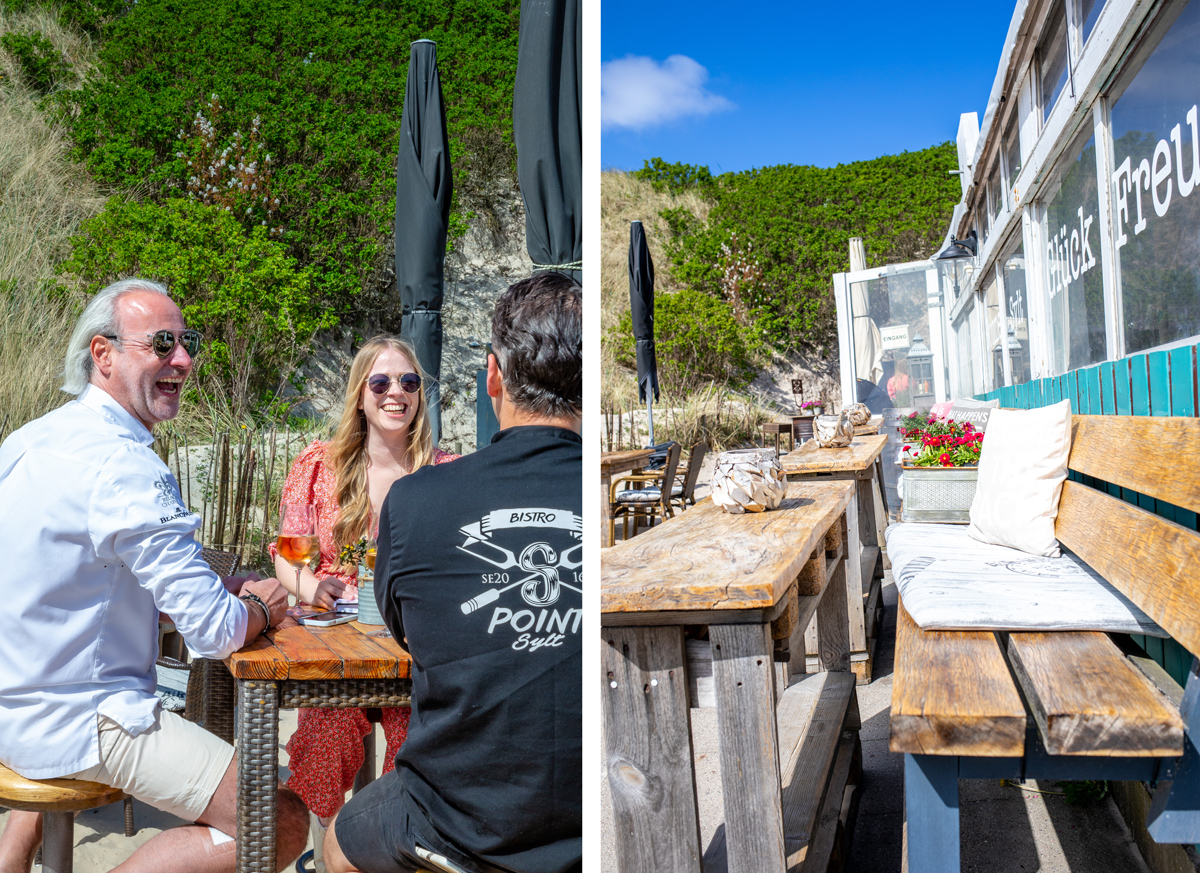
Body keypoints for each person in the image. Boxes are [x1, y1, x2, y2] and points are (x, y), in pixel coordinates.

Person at [0, 278, 308, 873]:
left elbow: (64, 581)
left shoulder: (26, 442)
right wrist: (266, 606)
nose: (183, 359)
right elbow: (216, 634)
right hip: (86, 717)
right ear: (103, 354)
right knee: (279, 821)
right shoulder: (125, 464)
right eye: (162, 344)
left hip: (14, 706)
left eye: (186, 342)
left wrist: (191, 594)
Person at [325, 272, 582, 873]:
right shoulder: (610, 502)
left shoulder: (416, 501)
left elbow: (409, 632)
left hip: (455, 819)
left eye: (408, 381)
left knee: (337, 844)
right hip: (598, 803)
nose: (396, 393)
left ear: (492, 374)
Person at [269, 336, 457, 867]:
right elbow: (287, 557)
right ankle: (327, 853)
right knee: (326, 740)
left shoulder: (445, 471)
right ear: (359, 395)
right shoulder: (319, 467)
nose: (395, 393)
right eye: (381, 382)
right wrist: (310, 587)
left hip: (413, 651)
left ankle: (391, 855)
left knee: (416, 752)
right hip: (336, 646)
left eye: (409, 382)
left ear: (421, 395)